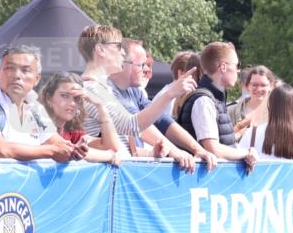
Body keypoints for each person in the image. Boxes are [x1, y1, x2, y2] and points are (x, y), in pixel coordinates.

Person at [78, 25, 198, 171]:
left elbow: (124, 140)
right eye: (118, 46)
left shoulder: (101, 88)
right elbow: (132, 125)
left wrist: (152, 153)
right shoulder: (92, 89)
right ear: (100, 49)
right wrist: (170, 94)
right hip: (107, 177)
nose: (123, 53)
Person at [110, 39, 217, 172]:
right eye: (141, 65)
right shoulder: (107, 91)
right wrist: (175, 151)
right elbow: (136, 124)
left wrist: (198, 149)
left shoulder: (133, 90)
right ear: (122, 64)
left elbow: (160, 120)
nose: (146, 70)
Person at [0, 45, 88, 162]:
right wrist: (51, 151)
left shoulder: (36, 109)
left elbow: (57, 143)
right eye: (10, 68)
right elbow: (0, 150)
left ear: (37, 78)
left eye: (25, 70)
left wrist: (74, 150)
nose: (17, 75)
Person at [177, 41, 257, 172]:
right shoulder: (203, 101)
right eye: (237, 65)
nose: (238, 71)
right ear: (223, 67)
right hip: (202, 180)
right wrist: (246, 153)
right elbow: (213, 149)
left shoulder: (213, 99)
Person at [39, 73, 121, 164]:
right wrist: (109, 156)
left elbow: (111, 147)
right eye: (64, 96)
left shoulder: (73, 132)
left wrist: (100, 105)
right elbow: (69, 151)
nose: (72, 103)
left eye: (77, 98)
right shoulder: (39, 122)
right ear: (49, 97)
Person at [239, 84, 293, 174]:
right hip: (291, 182)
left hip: (259, 182)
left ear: (270, 105)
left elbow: (236, 161)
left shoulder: (252, 133)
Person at [229, 65, 275, 140]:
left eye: (263, 85)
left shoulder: (279, 112)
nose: (259, 89)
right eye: (254, 85)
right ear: (248, 86)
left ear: (271, 86)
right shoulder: (231, 112)